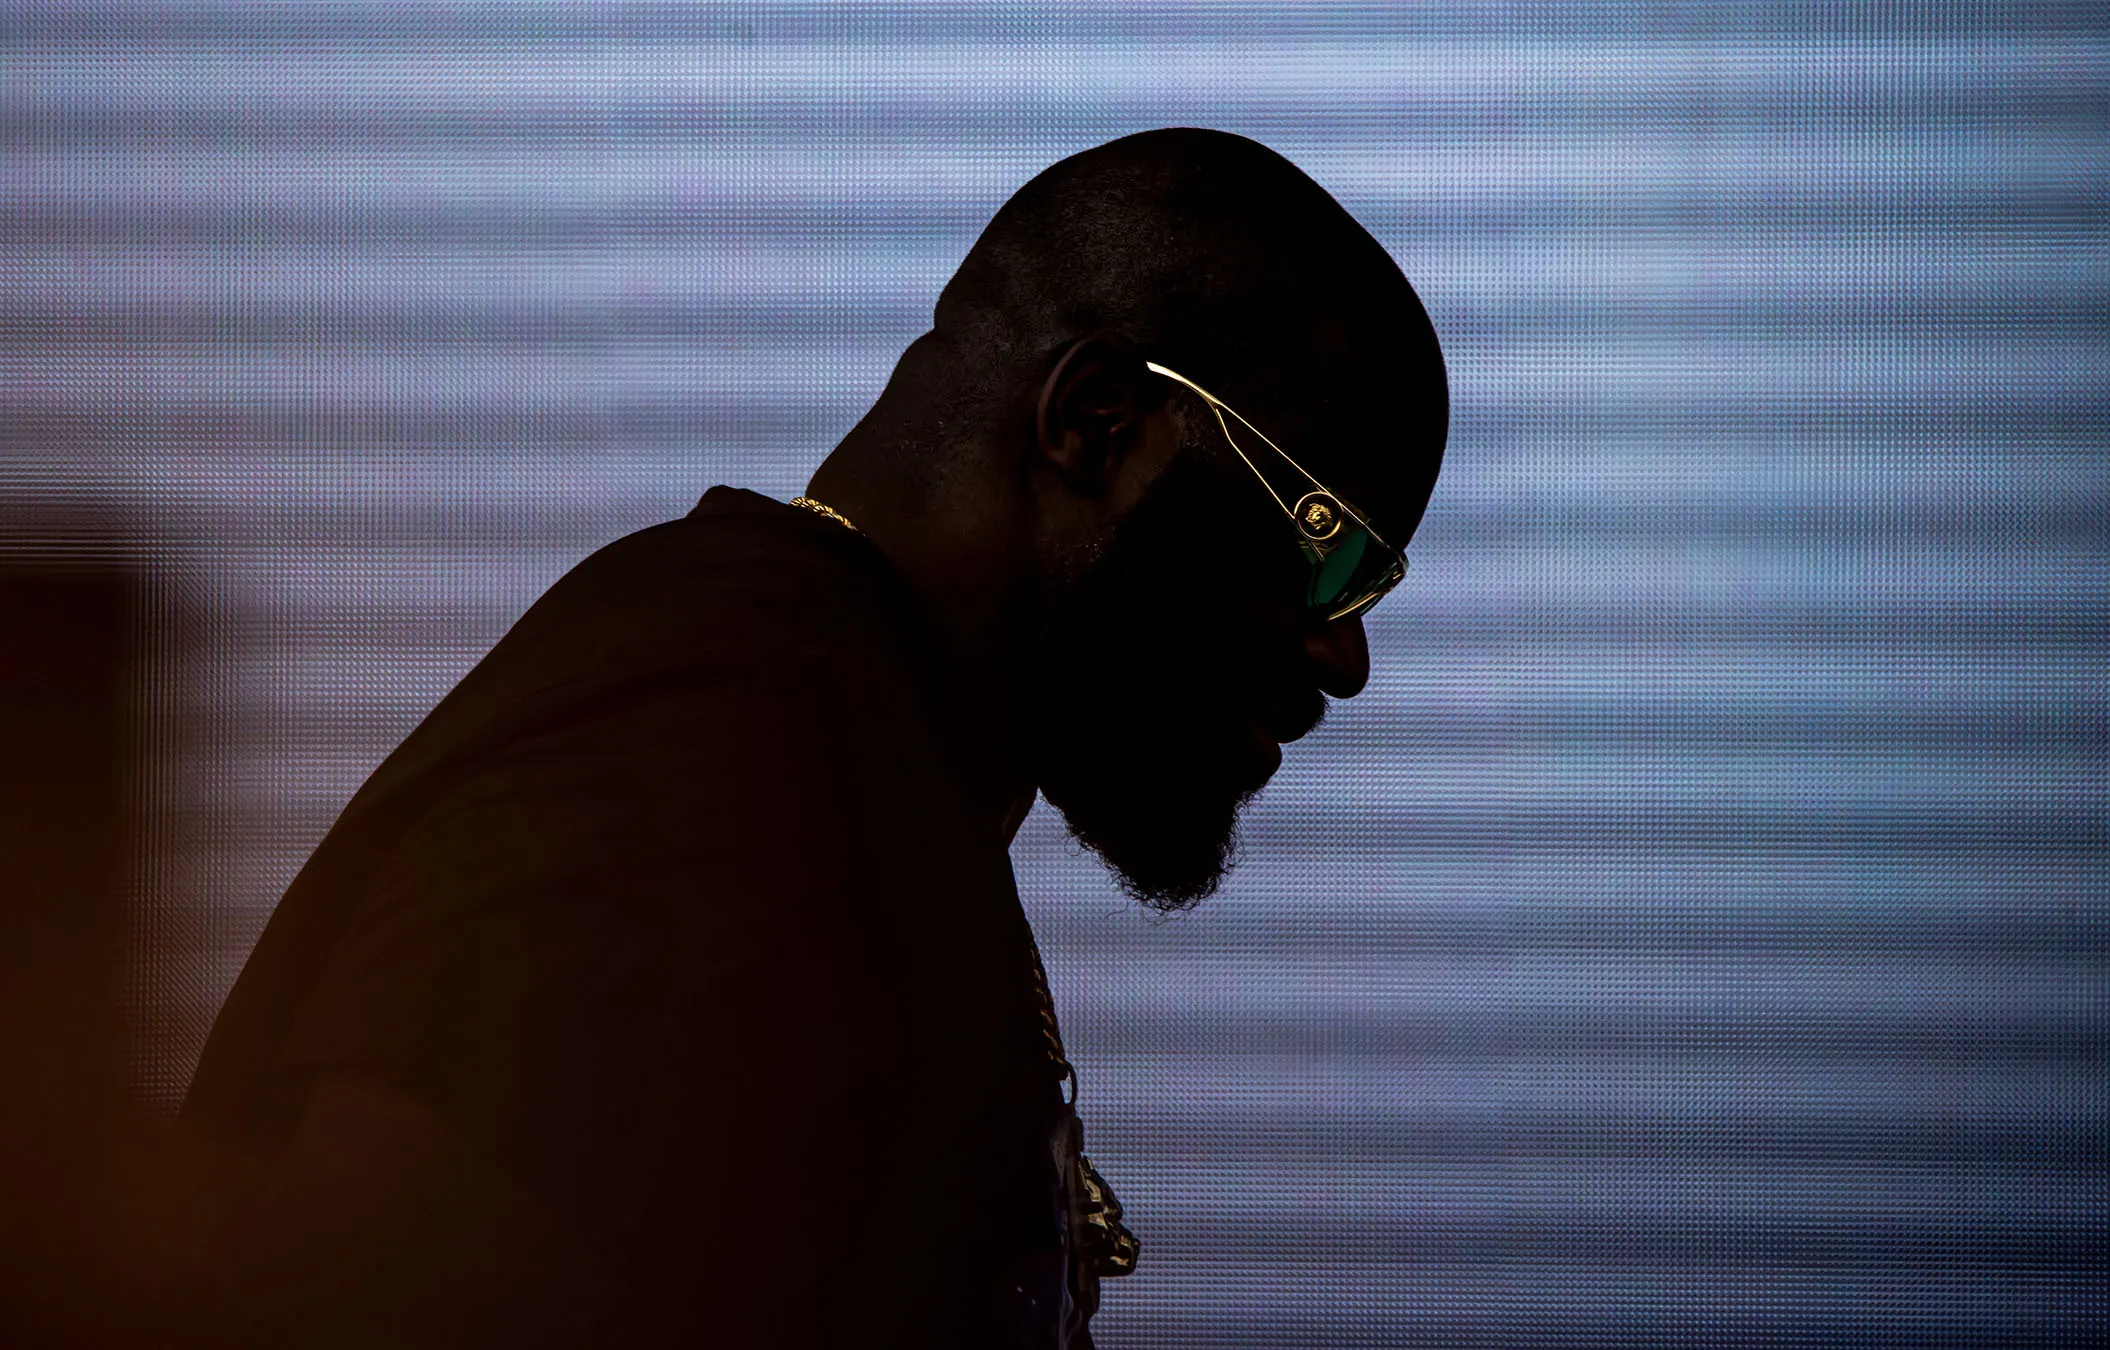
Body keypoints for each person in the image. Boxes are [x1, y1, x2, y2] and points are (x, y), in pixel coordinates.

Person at [173, 127, 1448, 1348]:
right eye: (1325, 542)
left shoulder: (844, 758)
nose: (1344, 653)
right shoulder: (719, 765)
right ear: (1097, 422)